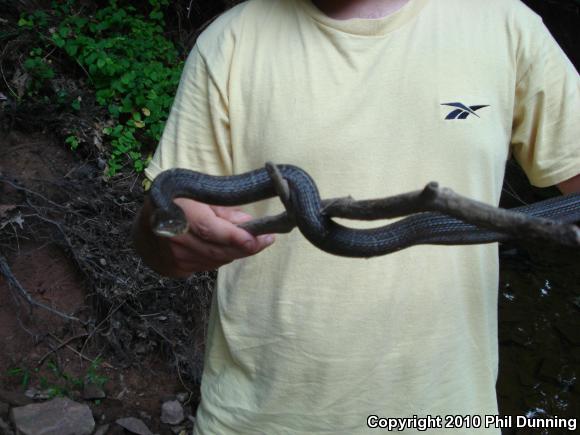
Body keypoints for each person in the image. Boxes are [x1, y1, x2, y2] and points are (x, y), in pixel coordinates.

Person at [133, 0, 580, 433]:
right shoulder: (230, 41)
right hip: (256, 421)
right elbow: (155, 244)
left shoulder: (505, 23)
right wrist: (167, 236)